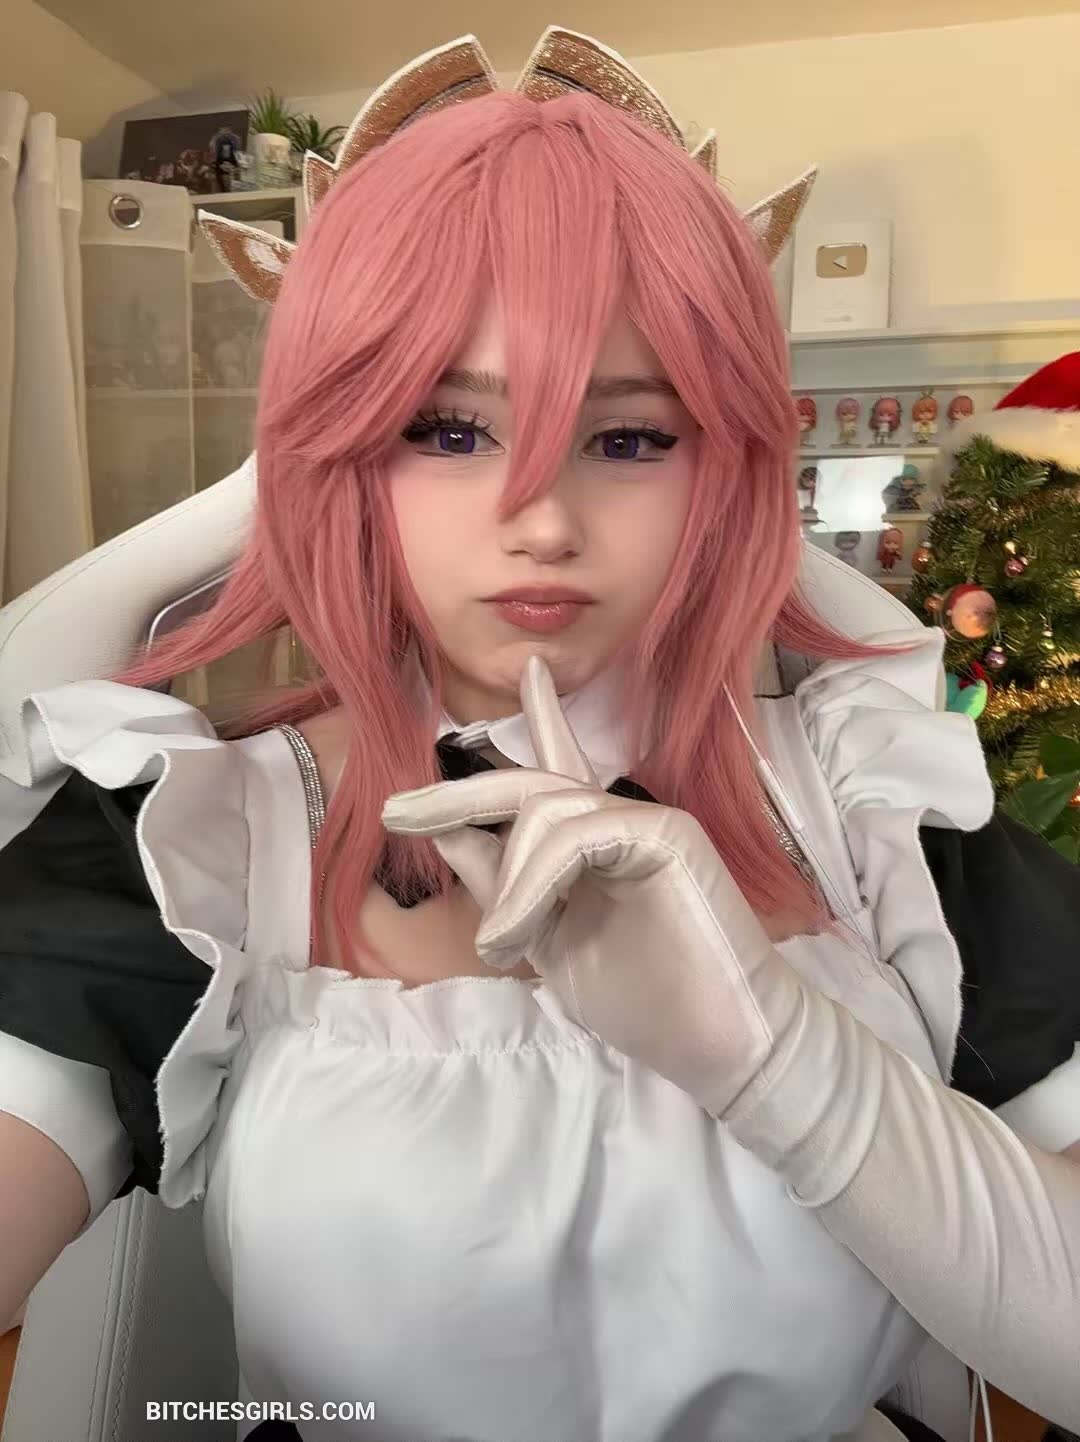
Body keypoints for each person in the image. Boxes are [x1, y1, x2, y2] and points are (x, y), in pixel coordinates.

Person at [1, 28, 1079, 1442]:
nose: (543, 521)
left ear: (722, 468)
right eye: (445, 430)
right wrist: (285, 472)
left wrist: (785, 1066)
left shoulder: (880, 815)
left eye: (631, 438)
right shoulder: (189, 836)